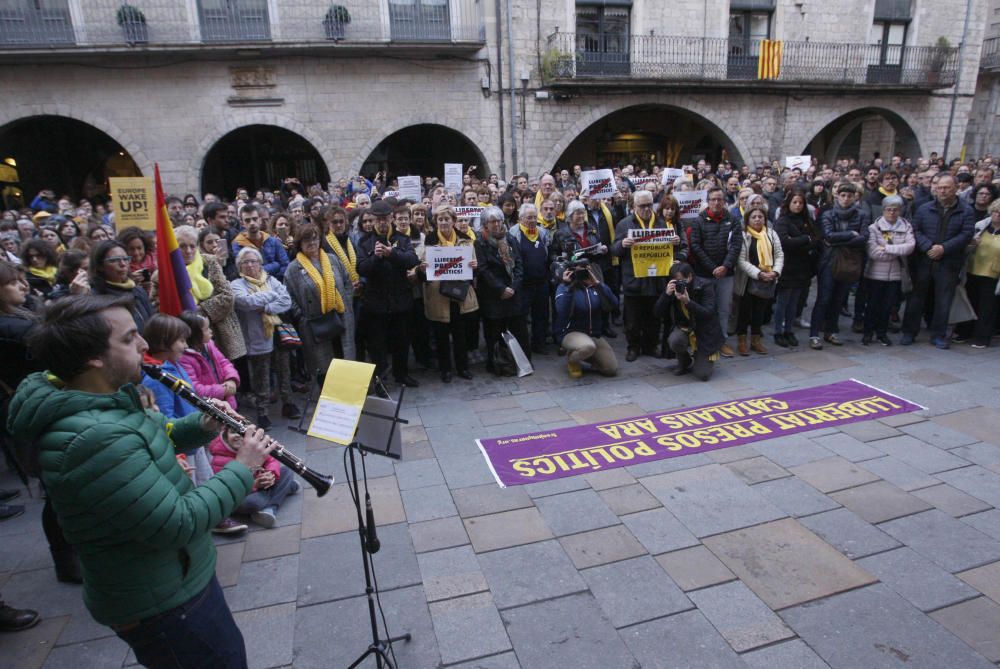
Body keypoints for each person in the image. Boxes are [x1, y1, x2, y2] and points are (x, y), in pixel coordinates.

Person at [7, 294, 273, 664]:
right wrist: (243, 467)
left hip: (171, 580)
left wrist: (203, 424)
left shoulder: (102, 398)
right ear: (93, 358)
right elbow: (179, 522)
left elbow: (151, 439)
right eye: (130, 338)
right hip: (165, 603)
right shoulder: (94, 439)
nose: (145, 345)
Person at [902, 174, 976, 348]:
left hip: (948, 262)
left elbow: (966, 234)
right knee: (916, 299)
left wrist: (944, 248)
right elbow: (915, 229)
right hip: (924, 261)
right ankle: (909, 332)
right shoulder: (923, 208)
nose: (942, 191)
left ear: (956, 188)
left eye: (947, 187)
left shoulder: (966, 210)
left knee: (943, 301)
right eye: (939, 187)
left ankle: (938, 334)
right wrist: (928, 247)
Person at [154, 226, 247, 363]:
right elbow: (157, 305)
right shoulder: (163, 273)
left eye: (192, 246)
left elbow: (227, 297)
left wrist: (194, 312)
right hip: (182, 338)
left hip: (220, 336)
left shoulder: (209, 262)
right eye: (182, 246)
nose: (188, 251)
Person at [231, 247, 299, 424]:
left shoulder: (271, 279)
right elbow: (245, 302)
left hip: (279, 335)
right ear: (240, 266)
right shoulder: (237, 285)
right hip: (256, 338)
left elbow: (286, 301)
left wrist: (267, 307)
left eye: (254, 261)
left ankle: (288, 404)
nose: (251, 265)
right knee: (261, 376)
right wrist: (271, 295)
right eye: (246, 262)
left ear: (261, 264)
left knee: (284, 371)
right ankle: (263, 412)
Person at [357, 200, 420, 387]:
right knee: (377, 345)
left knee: (402, 342)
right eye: (378, 220)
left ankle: (402, 374)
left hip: (400, 300)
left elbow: (412, 260)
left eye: (385, 219)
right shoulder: (364, 241)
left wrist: (392, 253)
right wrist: (376, 257)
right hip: (376, 304)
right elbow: (361, 268)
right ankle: (380, 378)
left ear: (391, 218)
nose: (382, 223)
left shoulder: (402, 239)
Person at [612, 189, 679, 361]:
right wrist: (622, 244)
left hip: (656, 280)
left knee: (654, 317)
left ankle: (651, 345)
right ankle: (633, 347)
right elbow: (614, 250)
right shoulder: (624, 224)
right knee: (632, 320)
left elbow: (670, 251)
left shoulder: (661, 223)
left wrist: (675, 243)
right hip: (633, 280)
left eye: (649, 205)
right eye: (642, 206)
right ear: (634, 206)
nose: (647, 209)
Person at [285, 223, 355, 382]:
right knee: (324, 367)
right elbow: (289, 297)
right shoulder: (293, 269)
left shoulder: (332, 259)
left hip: (340, 317)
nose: (312, 243)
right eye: (306, 240)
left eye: (315, 239)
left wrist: (347, 302)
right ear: (299, 244)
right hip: (315, 324)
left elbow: (347, 282)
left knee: (345, 359)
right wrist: (302, 317)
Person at [418, 206, 478, 382]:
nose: (443, 222)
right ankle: (445, 370)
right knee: (441, 335)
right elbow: (420, 268)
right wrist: (422, 268)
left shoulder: (466, 240)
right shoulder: (429, 240)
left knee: (460, 334)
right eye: (440, 219)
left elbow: (474, 268)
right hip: (438, 294)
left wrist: (474, 267)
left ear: (453, 220)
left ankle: (463, 367)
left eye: (447, 219)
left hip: (459, 293)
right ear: (436, 222)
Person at [808, 182, 869, 349]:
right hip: (829, 261)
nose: (846, 199)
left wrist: (839, 239)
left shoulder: (861, 215)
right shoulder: (828, 214)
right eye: (843, 195)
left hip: (849, 261)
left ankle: (832, 331)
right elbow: (827, 236)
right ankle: (814, 334)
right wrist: (850, 234)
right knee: (824, 298)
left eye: (849, 196)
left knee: (839, 298)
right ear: (837, 196)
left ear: (854, 197)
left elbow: (864, 237)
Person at [475, 206, 530, 374]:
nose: (497, 224)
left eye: (499, 220)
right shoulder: (480, 242)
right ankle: (496, 363)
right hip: (493, 296)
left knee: (519, 330)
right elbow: (483, 270)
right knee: (494, 332)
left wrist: (513, 287)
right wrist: (501, 288)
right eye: (493, 221)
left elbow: (519, 264)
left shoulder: (511, 239)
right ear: (485, 224)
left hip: (513, 294)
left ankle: (522, 362)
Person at [689, 186, 741, 357]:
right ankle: (704, 340)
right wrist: (713, 268)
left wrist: (725, 266)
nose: (717, 202)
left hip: (726, 273)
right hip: (705, 273)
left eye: (720, 199)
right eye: (713, 199)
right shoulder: (698, 221)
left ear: (724, 201)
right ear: (708, 201)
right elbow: (695, 246)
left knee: (724, 308)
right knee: (706, 308)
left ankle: (722, 340)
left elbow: (736, 245)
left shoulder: (732, 220)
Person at [655, 262, 724, 381]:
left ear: (690, 277)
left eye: (682, 281)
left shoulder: (705, 285)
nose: (680, 285)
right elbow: (657, 313)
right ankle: (684, 361)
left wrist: (688, 302)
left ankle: (700, 356)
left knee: (702, 375)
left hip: (705, 332)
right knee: (675, 340)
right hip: (685, 328)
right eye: (676, 281)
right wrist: (666, 295)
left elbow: (708, 313)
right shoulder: (672, 289)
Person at [552, 259, 619, 378]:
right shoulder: (564, 287)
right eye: (579, 270)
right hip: (570, 332)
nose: (582, 274)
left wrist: (598, 283)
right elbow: (562, 311)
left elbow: (614, 304)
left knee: (610, 369)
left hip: (593, 334)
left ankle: (584, 353)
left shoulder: (595, 286)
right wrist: (568, 286)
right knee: (588, 346)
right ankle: (573, 359)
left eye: (586, 270)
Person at [863, 195, 914, 346]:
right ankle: (867, 333)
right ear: (883, 210)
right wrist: (898, 250)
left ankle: (882, 333)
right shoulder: (875, 227)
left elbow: (910, 247)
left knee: (888, 306)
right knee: (872, 305)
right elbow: (874, 253)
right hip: (875, 274)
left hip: (896, 275)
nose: (892, 212)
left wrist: (886, 248)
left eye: (895, 210)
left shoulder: (906, 226)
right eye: (889, 209)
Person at [773, 190, 820, 347]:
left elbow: (815, 239)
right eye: (795, 202)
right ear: (789, 203)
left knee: (794, 302)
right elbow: (784, 242)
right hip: (787, 266)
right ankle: (778, 331)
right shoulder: (783, 221)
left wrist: (800, 241)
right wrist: (804, 240)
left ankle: (789, 330)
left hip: (803, 267)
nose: (798, 205)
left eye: (800, 203)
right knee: (783, 301)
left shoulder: (807, 220)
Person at [733, 207, 784, 355]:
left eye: (760, 217)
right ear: (747, 219)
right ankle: (742, 341)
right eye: (753, 217)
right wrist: (759, 274)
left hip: (767, 279)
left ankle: (756, 340)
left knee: (759, 311)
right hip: (748, 279)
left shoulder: (771, 234)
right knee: (744, 312)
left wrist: (775, 272)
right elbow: (741, 261)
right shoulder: (743, 235)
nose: (757, 219)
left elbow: (779, 254)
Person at [953, 199, 1000, 348]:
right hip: (972, 270)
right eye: (995, 211)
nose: (997, 215)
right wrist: (972, 243)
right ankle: (965, 333)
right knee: (970, 302)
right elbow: (965, 248)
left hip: (993, 275)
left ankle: (982, 338)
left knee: (987, 307)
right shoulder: (980, 227)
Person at [508, 203, 552, 354]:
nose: (532, 220)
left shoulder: (543, 232)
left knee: (541, 315)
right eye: (529, 217)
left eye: (534, 217)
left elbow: (547, 251)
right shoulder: (513, 233)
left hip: (541, 282)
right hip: (523, 284)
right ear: (521, 218)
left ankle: (538, 344)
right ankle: (522, 347)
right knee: (521, 316)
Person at [90, 240, 155, 333]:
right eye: (114, 260)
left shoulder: (137, 291)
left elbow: (152, 324)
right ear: (100, 266)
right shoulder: (95, 297)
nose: (123, 264)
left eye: (125, 259)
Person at [231, 204, 289, 280]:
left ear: (260, 220)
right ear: (242, 223)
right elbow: (244, 272)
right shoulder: (238, 244)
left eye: (255, 219)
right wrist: (275, 265)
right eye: (247, 220)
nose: (252, 223)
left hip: (276, 284)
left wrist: (271, 279)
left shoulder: (273, 241)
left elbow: (286, 265)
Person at [118, 227, 156, 297]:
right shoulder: (118, 268)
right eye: (131, 249)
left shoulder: (156, 262)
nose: (136, 253)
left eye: (139, 248)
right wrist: (130, 284)